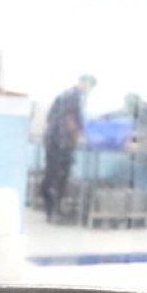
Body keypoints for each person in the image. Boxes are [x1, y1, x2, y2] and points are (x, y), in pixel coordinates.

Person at [41, 74, 95, 223]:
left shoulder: (64, 94)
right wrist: (80, 135)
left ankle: (50, 210)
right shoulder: (75, 96)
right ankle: (53, 212)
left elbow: (50, 117)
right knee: (60, 176)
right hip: (61, 141)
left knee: (51, 173)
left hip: (52, 139)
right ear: (85, 84)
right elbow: (70, 119)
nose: (89, 90)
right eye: (90, 86)